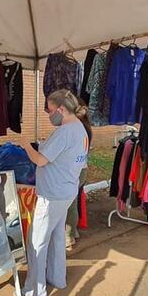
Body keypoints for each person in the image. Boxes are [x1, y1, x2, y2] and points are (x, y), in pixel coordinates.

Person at [19, 89, 89, 296]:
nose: (49, 115)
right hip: (66, 191)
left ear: (60, 109)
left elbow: (41, 160)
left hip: (53, 195)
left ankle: (34, 289)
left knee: (37, 241)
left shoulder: (65, 131)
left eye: (50, 110)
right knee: (57, 236)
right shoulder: (80, 129)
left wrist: (26, 146)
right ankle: (58, 278)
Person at [65, 97, 92, 251]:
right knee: (72, 202)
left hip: (75, 169)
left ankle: (68, 238)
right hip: (80, 169)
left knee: (69, 204)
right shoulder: (84, 126)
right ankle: (72, 233)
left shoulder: (76, 128)